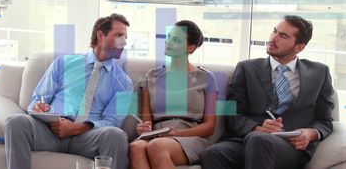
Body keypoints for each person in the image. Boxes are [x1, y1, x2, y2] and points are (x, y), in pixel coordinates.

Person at [200, 15, 334, 169]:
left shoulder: (319, 72)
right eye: (274, 31)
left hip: (289, 146)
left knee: (259, 140)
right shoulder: (246, 68)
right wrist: (257, 128)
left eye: (283, 35)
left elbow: (325, 120)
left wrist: (310, 133)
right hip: (247, 139)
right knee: (212, 154)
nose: (273, 38)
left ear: (299, 47)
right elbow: (232, 113)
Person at [4, 13, 134, 169]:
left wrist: (78, 127)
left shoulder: (123, 82)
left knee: (116, 135)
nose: (124, 42)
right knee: (15, 122)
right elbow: (38, 100)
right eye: (119, 35)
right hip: (49, 132)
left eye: (125, 37)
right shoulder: (64, 63)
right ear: (100, 35)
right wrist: (38, 107)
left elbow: (112, 121)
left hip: (86, 138)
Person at [129, 20, 218, 169]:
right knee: (135, 147)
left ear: (190, 48)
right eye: (169, 37)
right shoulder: (151, 76)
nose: (168, 42)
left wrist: (179, 133)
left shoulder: (207, 78)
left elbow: (209, 127)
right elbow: (147, 120)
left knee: (157, 146)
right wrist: (145, 128)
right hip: (158, 135)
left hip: (191, 136)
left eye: (176, 40)